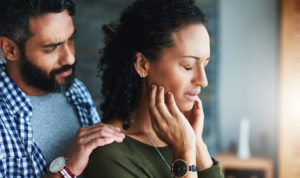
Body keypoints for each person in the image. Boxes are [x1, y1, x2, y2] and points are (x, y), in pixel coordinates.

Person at [85, 0, 224, 177]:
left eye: (205, 64)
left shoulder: (183, 137)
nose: (203, 81)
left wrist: (197, 145)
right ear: (143, 65)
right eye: (188, 66)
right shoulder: (111, 155)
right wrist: (184, 151)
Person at [0, 0, 125, 177]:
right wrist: (68, 170)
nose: (69, 59)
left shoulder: (75, 89)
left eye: (70, 39)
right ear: (10, 49)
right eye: (51, 48)